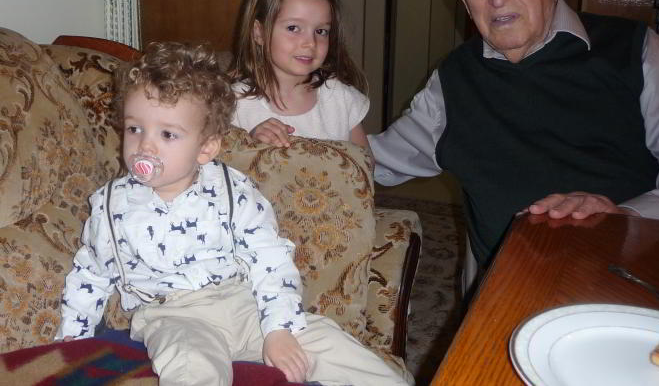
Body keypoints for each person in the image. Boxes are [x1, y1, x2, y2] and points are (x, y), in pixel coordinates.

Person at [56, 42, 409, 386]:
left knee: (326, 341)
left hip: (243, 305)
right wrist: (72, 340)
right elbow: (90, 275)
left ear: (206, 147)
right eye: (135, 128)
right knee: (190, 363)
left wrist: (279, 329)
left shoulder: (232, 190)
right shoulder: (110, 206)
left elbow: (269, 257)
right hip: (172, 316)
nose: (145, 145)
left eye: (167, 134)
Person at [369, 0, 659, 276]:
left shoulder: (635, 51)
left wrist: (623, 217)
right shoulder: (454, 78)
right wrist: (318, 108)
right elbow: (371, 163)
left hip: (626, 277)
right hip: (505, 288)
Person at [230, 0, 371, 150]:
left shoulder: (340, 98)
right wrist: (249, 144)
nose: (311, 43)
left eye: (321, 31)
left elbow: (365, 162)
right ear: (259, 33)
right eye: (293, 28)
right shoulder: (233, 104)